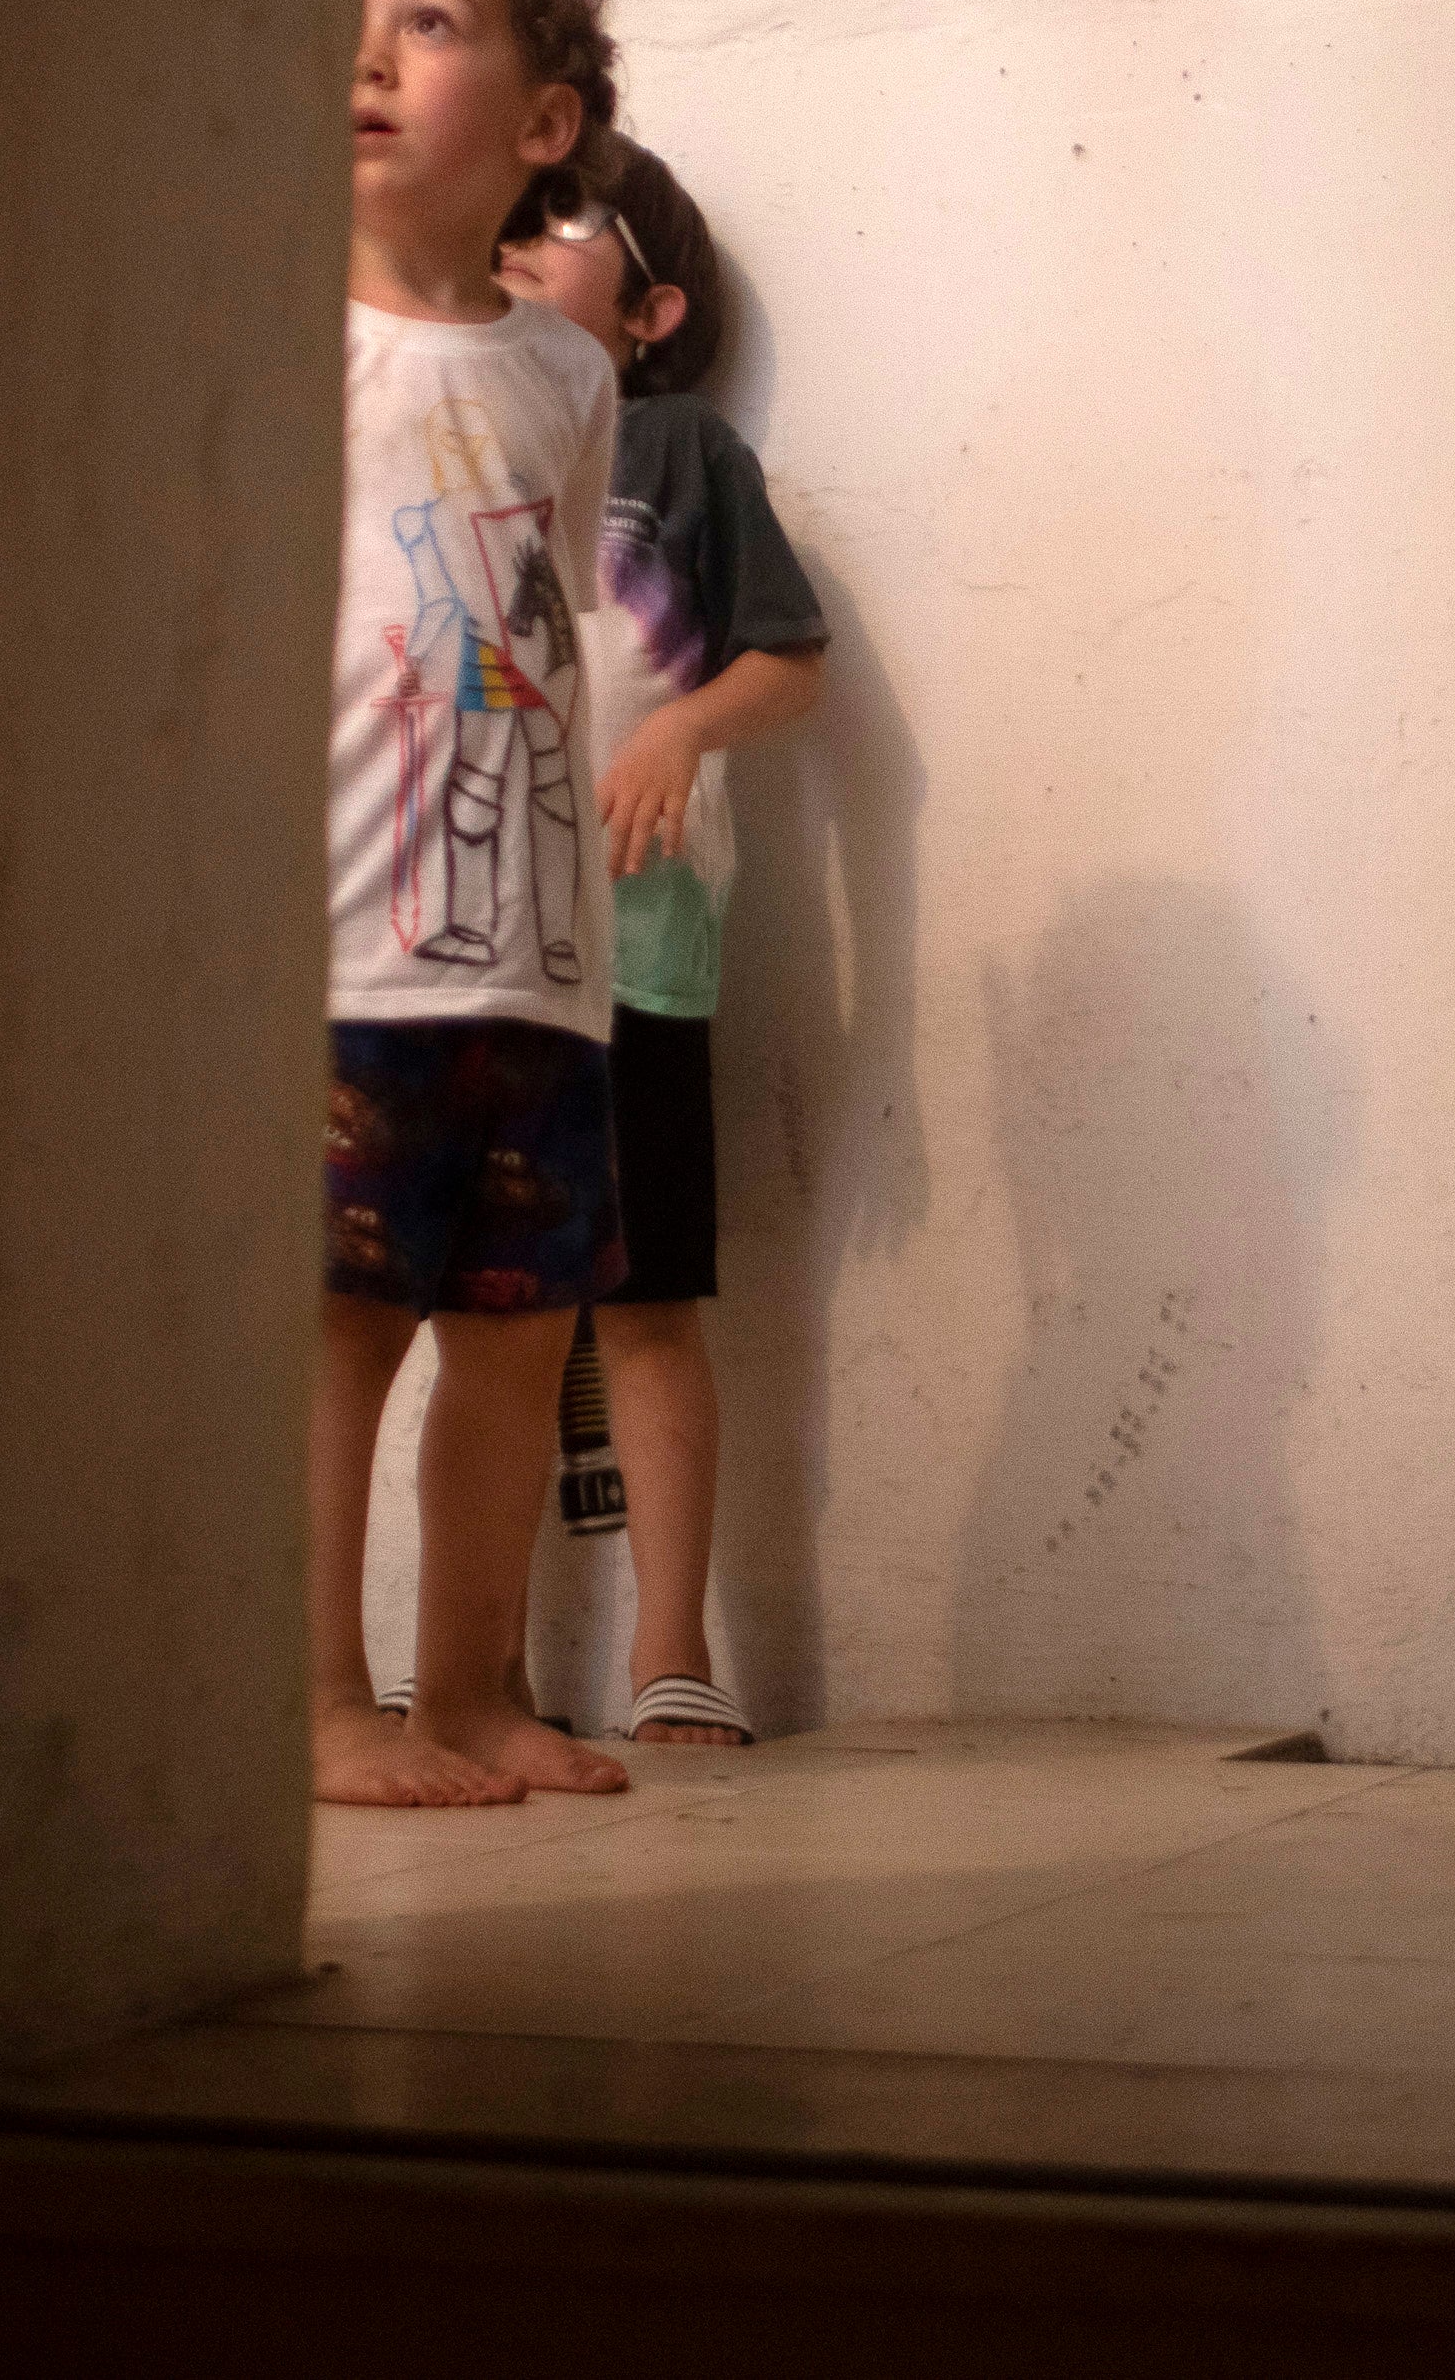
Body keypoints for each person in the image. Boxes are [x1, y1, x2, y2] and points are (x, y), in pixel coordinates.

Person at [311, 0, 634, 1809]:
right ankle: (318, 1702)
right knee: (335, 1327)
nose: (364, 48)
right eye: (345, 12)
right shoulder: (279, 335)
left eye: (429, 16)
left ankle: (474, 1689)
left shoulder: (569, 372)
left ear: (541, 124)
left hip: (536, 945)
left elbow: (540, 620)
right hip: (341, 937)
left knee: (516, 1335)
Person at [499, 133, 828, 1746]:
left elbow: (789, 660)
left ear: (652, 306)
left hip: (637, 947)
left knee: (645, 1300)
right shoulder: (445, 436)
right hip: (460, 955)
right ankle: (466, 1657)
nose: (515, 244)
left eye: (555, 226)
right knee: (468, 1306)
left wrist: (680, 730)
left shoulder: (685, 448)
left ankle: (670, 1650)